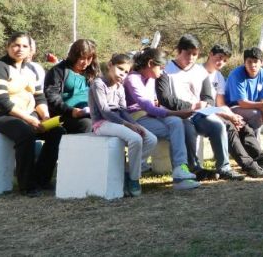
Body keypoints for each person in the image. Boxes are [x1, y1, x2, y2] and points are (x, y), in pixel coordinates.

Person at [0, 32, 64, 197]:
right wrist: (28, 119)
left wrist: (45, 118)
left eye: (24, 46)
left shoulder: (30, 70)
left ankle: (42, 179)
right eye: (16, 45)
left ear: (30, 49)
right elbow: (0, 101)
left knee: (56, 131)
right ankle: (27, 185)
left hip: (25, 115)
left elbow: (39, 97)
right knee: (26, 132)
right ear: (8, 47)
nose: (20, 49)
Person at [158, 34, 251, 180]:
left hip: (198, 114)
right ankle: (194, 168)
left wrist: (204, 105)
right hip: (178, 114)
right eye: (187, 53)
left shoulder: (200, 71)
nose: (191, 58)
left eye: (195, 54)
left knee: (217, 125)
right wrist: (192, 106)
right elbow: (165, 98)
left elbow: (208, 97)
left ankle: (224, 167)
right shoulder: (166, 71)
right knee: (187, 129)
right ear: (179, 51)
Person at [123, 47, 200, 190]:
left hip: (151, 116)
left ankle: (180, 170)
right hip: (136, 118)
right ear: (151, 63)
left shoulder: (151, 78)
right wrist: (177, 113)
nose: (163, 71)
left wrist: (173, 114)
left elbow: (154, 105)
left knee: (176, 123)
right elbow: (147, 107)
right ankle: (179, 177)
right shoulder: (132, 79)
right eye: (161, 67)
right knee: (174, 126)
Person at [201, 44, 263, 178]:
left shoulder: (219, 77)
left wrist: (231, 115)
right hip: (200, 113)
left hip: (215, 111)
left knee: (242, 125)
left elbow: (220, 103)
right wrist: (227, 116)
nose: (221, 62)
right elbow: (201, 106)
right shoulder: (197, 72)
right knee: (229, 127)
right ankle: (247, 166)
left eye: (225, 60)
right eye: (219, 58)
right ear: (210, 54)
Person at [88, 54, 158, 197]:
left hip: (120, 122)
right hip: (102, 123)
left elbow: (123, 111)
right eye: (120, 69)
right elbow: (105, 111)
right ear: (110, 65)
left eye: (126, 72)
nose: (123, 74)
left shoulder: (120, 87)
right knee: (136, 139)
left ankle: (127, 170)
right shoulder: (98, 84)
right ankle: (134, 179)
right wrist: (128, 125)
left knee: (151, 139)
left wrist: (135, 124)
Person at [225, 47, 263, 165]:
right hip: (232, 108)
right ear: (244, 63)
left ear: (262, 63)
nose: (253, 65)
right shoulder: (236, 74)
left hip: (255, 107)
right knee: (255, 115)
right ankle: (255, 154)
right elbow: (241, 102)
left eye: (256, 61)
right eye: (249, 61)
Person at [44, 39, 99, 134]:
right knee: (86, 124)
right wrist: (71, 111)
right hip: (65, 115)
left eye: (89, 59)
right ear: (74, 56)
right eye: (82, 58)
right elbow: (52, 97)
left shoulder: (93, 72)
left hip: (90, 113)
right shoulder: (58, 71)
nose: (85, 62)